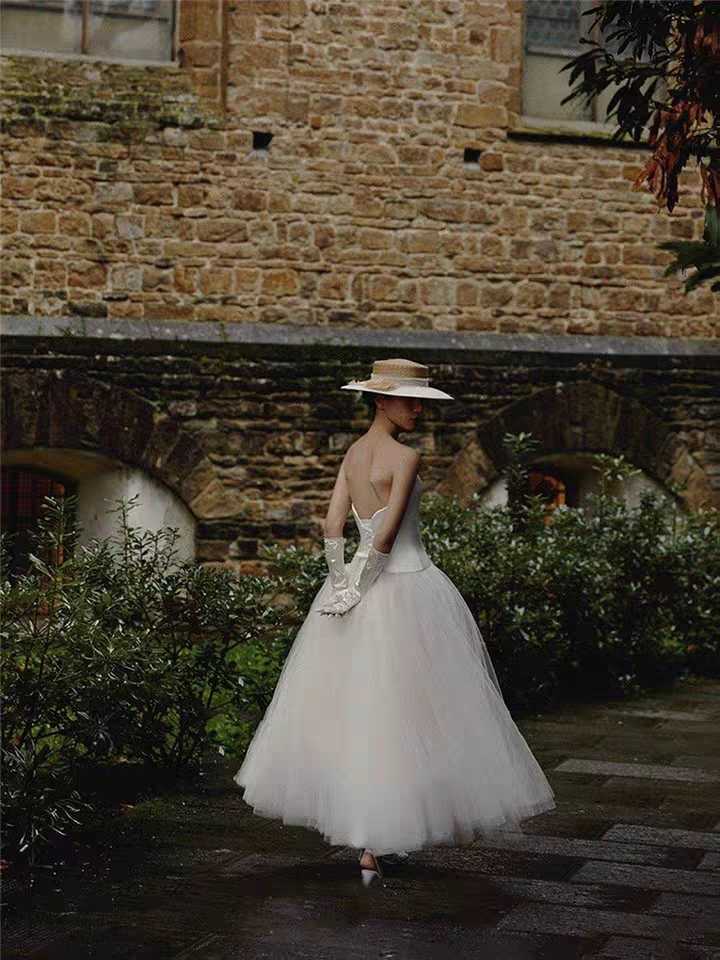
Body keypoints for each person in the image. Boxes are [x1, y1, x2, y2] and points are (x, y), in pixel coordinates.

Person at [234, 358, 556, 886]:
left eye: (421, 402)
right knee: (406, 714)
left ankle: (372, 837)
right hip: (406, 586)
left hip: (356, 591)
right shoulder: (405, 457)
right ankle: (378, 840)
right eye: (410, 401)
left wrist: (342, 587)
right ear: (381, 400)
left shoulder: (353, 454)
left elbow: (332, 525)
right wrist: (356, 588)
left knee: (365, 712)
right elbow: (384, 537)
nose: (418, 411)